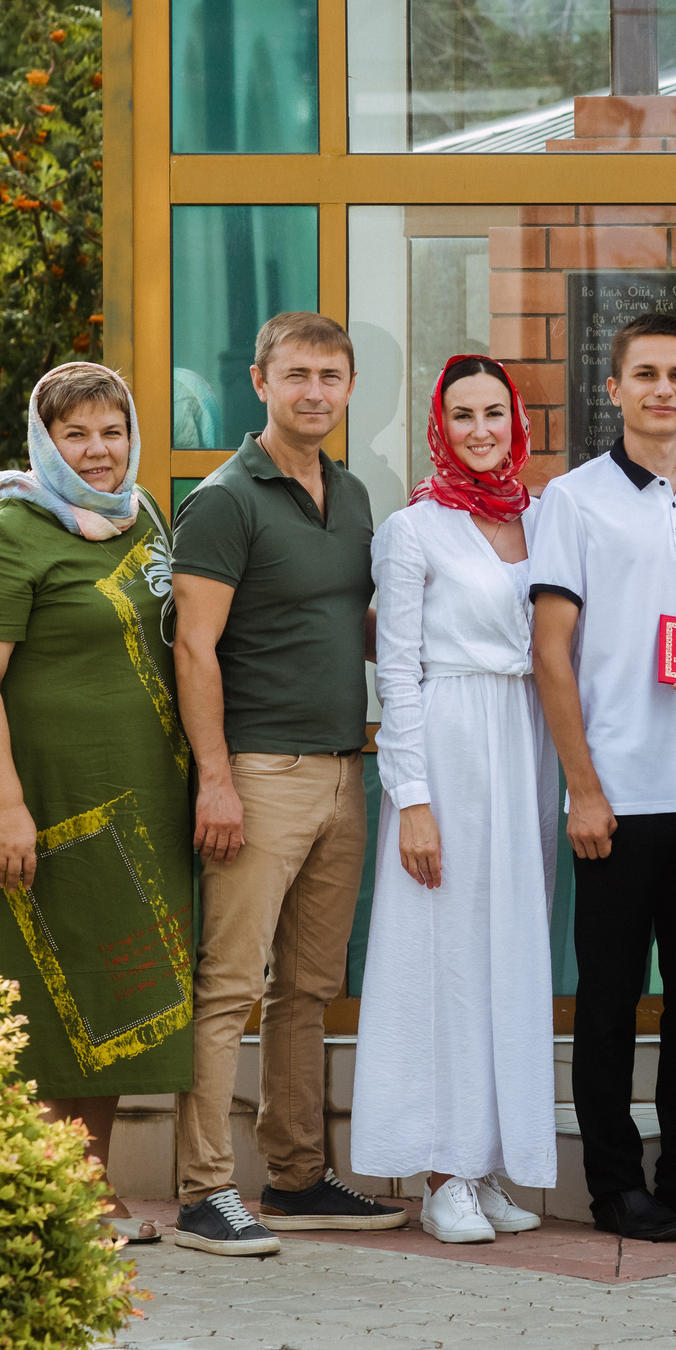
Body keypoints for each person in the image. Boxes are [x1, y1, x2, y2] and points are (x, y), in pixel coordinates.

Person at [0, 362, 194, 1246]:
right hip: (41, 800)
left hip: (137, 799)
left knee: (113, 989)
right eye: (75, 434)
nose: (98, 450)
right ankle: (42, 1192)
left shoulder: (141, 515)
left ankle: (89, 1183)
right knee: (40, 992)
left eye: (112, 431)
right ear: (43, 443)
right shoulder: (3, 532)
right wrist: (5, 807)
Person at [531, 310, 676, 1246]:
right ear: (615, 389)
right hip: (619, 791)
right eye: (645, 373)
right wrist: (583, 788)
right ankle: (615, 1185)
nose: (662, 389)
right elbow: (552, 652)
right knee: (608, 1000)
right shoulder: (572, 499)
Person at [169, 312, 399, 1256]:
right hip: (261, 772)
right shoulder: (225, 500)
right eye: (296, 374)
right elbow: (194, 647)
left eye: (330, 375)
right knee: (230, 984)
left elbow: (354, 625)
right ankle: (201, 1191)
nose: (315, 391)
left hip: (346, 768)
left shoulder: (351, 493)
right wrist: (216, 780)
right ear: (260, 382)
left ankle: (297, 1177)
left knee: (306, 987)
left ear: (350, 388)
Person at [351, 357, 558, 1245]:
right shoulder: (413, 529)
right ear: (441, 425)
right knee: (443, 954)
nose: (481, 430)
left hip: (526, 741)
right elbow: (397, 671)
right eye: (463, 414)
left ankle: (485, 1160)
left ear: (517, 422)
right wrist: (413, 798)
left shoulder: (543, 519)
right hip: (449, 744)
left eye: (495, 413)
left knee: (506, 948)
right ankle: (441, 1173)